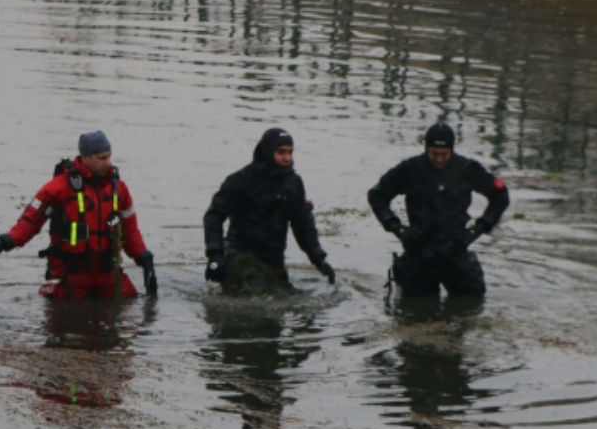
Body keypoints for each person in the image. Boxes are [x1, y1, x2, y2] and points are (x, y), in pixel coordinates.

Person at [0, 131, 156, 300]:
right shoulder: (58, 188)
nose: (107, 163)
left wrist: (145, 260)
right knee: (67, 321)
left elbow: (130, 230)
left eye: (109, 157)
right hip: (70, 273)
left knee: (131, 307)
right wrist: (0, 245)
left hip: (107, 271)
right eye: (101, 158)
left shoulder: (119, 189)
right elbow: (30, 223)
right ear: (85, 158)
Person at [367, 122, 510, 297]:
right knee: (416, 314)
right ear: (426, 148)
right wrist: (396, 227)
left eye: (444, 154)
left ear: (452, 150)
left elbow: (500, 196)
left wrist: (479, 228)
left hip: (455, 248)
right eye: (434, 153)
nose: (439, 159)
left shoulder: (467, 169)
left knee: (470, 305)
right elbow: (377, 195)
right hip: (419, 250)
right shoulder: (410, 169)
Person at [202, 127, 335, 291]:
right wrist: (215, 256)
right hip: (241, 254)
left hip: (273, 260)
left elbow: (303, 224)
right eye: (281, 152)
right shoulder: (241, 180)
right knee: (255, 290)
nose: (287, 158)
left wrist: (318, 259)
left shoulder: (294, 184)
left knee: (287, 300)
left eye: (290, 152)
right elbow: (214, 217)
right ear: (267, 151)